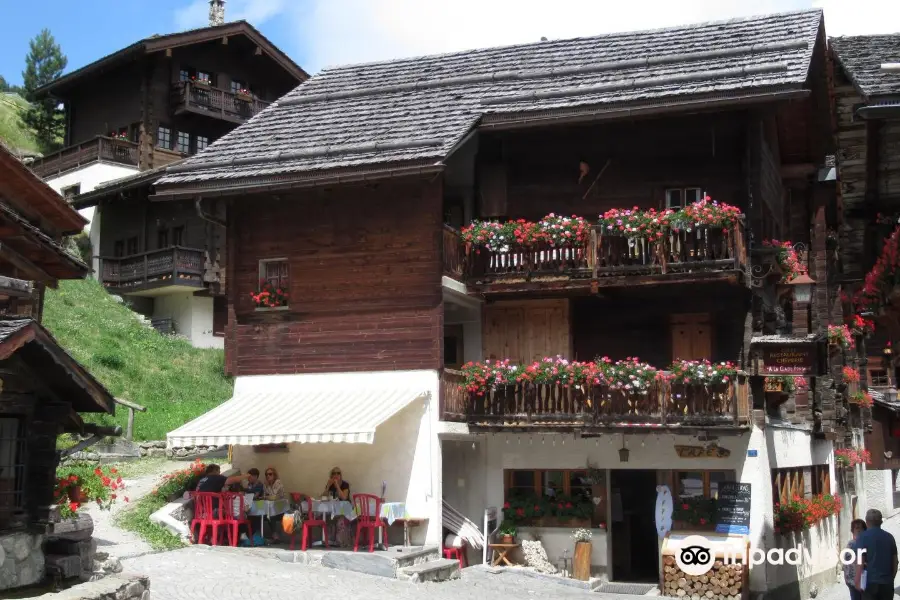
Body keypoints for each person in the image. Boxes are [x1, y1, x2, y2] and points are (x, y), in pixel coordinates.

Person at [854, 509, 898, 600]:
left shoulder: (862, 537)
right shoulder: (889, 538)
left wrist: (857, 580)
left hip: (869, 583)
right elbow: (895, 561)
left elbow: (860, 562)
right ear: (881, 522)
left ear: (866, 522)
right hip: (886, 583)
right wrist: (891, 578)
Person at [844, 519, 867, 600]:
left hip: (860, 581)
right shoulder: (852, 544)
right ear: (852, 531)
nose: (859, 530)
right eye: (857, 528)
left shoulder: (862, 543)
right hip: (855, 582)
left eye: (860, 528)